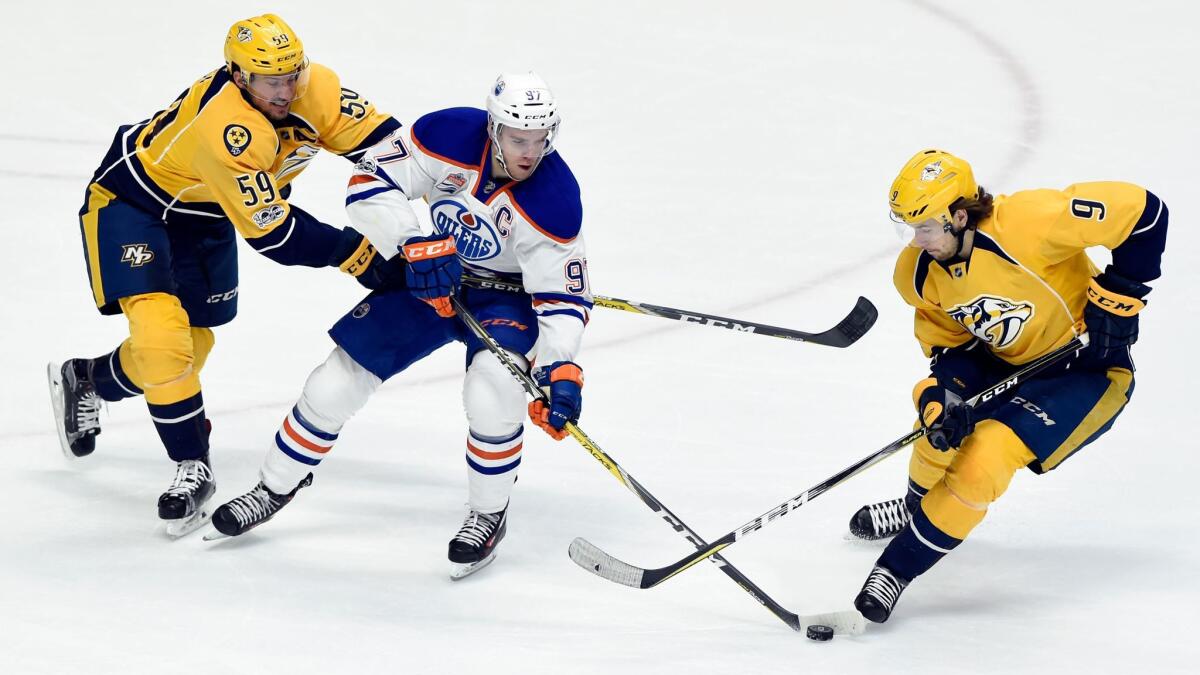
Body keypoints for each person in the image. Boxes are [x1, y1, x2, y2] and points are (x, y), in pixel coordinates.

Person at [209, 72, 591, 579]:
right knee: (334, 382)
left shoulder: (555, 199)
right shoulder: (447, 134)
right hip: (434, 277)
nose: (529, 152)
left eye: (540, 140)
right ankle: (273, 486)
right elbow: (370, 180)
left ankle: (487, 514)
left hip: (507, 300)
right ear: (494, 129)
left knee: (493, 392)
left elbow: (563, 297)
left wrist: (560, 369)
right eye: (519, 139)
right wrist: (413, 241)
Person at [46, 14, 403, 535]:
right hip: (137, 205)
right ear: (239, 76)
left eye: (292, 75)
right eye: (270, 80)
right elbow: (275, 234)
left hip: (207, 212)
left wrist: (448, 203)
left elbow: (392, 150)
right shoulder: (226, 129)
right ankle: (192, 466)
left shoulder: (316, 87)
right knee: (164, 340)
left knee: (194, 345)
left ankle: (88, 380)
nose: (285, 91)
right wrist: (359, 255)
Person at [847, 149, 1168, 623]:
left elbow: (1146, 213)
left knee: (985, 455)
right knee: (935, 425)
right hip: (1007, 359)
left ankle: (896, 569)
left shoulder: (1031, 223)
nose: (916, 241)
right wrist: (948, 393)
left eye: (925, 227)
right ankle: (918, 510)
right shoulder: (916, 272)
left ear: (959, 215)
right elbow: (949, 346)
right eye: (908, 228)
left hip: (1089, 371)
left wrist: (1120, 294)